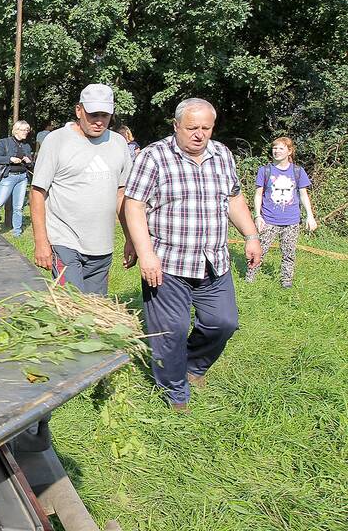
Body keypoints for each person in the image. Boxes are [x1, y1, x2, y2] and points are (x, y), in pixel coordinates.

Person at [123, 98, 261, 411]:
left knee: (223, 322)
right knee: (170, 332)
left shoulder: (222, 155)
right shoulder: (154, 156)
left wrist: (251, 236)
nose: (199, 134)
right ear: (176, 126)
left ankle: (194, 366)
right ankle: (175, 393)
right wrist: (145, 253)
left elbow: (234, 200)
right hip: (168, 262)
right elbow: (134, 205)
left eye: (205, 128)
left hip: (214, 260)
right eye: (192, 128)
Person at [31, 85, 133, 296]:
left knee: (95, 313)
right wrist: (41, 242)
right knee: (72, 307)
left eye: (104, 115)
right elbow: (37, 192)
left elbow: (121, 195)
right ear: (79, 110)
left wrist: (130, 238)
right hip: (64, 241)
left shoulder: (118, 143)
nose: (99, 121)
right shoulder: (57, 140)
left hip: (101, 245)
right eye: (93, 114)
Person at [245, 137, 317, 288]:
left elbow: (303, 195)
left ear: (289, 151)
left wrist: (310, 216)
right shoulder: (264, 171)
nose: (276, 151)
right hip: (269, 220)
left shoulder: (298, 171)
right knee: (259, 251)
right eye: (274, 148)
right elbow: (258, 194)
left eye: (281, 148)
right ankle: (250, 279)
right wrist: (258, 216)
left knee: (289, 254)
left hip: (291, 221)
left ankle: (286, 282)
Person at [0, 120, 33, 236]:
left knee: (19, 207)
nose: (26, 132)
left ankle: (17, 232)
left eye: (27, 130)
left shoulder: (26, 145)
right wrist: (10, 159)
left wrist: (29, 161)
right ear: (16, 130)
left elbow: (30, 164)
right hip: (8, 177)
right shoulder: (4, 142)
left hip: (22, 178)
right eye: (24, 130)